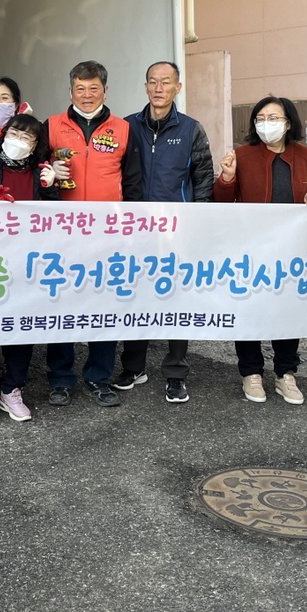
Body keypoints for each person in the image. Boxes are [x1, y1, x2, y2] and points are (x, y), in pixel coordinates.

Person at [214, 95, 307, 405]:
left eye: (274, 118)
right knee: (249, 308)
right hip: (250, 248)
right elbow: (221, 202)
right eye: (261, 118)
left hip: (293, 249)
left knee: (288, 308)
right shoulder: (242, 155)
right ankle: (251, 373)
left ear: (288, 123)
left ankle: (285, 373)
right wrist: (227, 177)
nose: (266, 124)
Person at [42, 60, 143, 408]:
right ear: (70, 91)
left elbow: (133, 183)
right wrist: (48, 171)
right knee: (61, 304)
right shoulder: (51, 126)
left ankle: (99, 376)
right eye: (80, 89)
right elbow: (36, 173)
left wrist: (130, 229)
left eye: (93, 89)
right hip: (62, 234)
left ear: (105, 91)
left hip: (108, 235)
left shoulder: (124, 129)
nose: (87, 95)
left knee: (104, 305)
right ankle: (60, 378)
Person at [118, 61, 214, 403]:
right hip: (135, 230)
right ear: (145, 86)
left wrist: (197, 223)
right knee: (135, 298)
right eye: (153, 82)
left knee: (176, 300)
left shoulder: (191, 129)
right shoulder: (127, 126)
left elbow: (204, 177)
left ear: (178, 87)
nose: (159, 88)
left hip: (177, 231)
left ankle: (176, 373)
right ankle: (133, 367)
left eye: (166, 82)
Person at [0, 113, 59, 425]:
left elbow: (56, 218)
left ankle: (12, 390)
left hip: (27, 263)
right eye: (15, 133)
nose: (19, 140)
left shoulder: (40, 173)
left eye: (27, 137)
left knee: (22, 328)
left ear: (36, 144)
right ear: (4, 135)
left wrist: (50, 188)